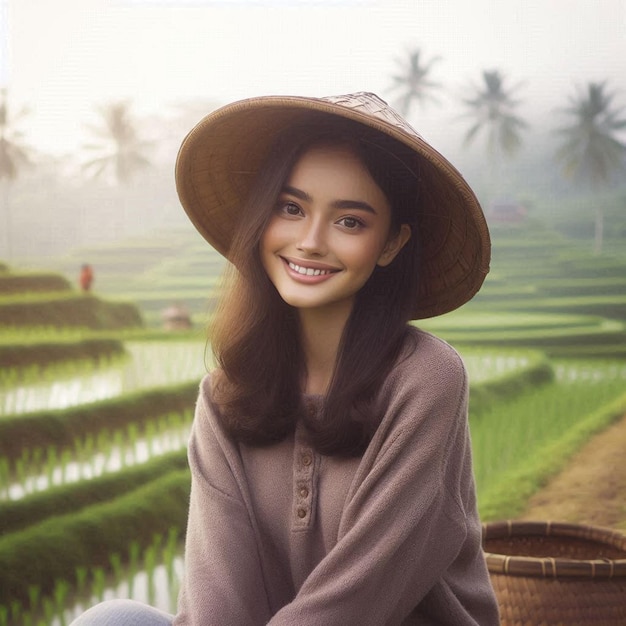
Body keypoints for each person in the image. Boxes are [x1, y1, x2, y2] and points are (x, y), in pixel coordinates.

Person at [70, 92, 500, 625]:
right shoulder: (227, 394)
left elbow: (358, 601)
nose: (311, 242)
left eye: (350, 222)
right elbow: (217, 601)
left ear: (391, 244)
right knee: (110, 619)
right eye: (291, 208)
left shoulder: (425, 380)